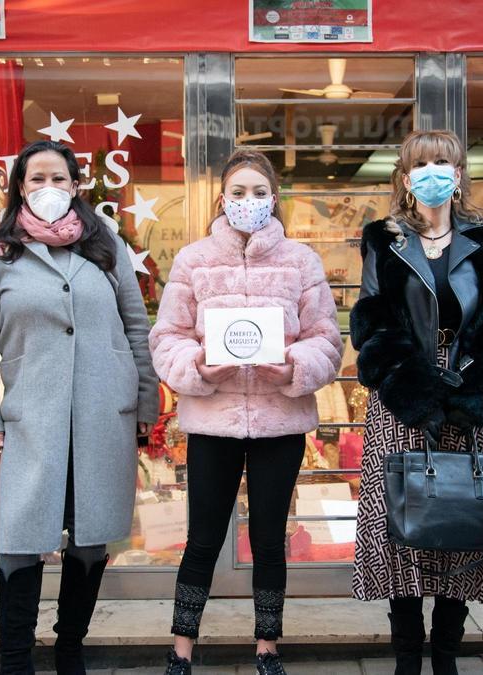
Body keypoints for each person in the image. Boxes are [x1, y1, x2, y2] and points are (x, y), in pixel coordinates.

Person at [0, 140, 160, 675]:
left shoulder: (106, 243)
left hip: (103, 413)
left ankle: (70, 647)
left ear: (76, 186)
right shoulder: (1, 251)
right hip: (34, 419)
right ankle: (15, 660)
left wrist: (147, 398)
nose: (48, 189)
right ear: (20, 188)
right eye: (36, 180)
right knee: (22, 543)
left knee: (92, 540)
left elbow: (135, 324)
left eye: (59, 179)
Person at [150, 149, 343, 675]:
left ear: (274, 199)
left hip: (280, 421)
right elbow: (166, 337)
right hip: (213, 421)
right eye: (238, 192)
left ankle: (267, 648)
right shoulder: (193, 260)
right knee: (204, 536)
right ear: (222, 198)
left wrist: (295, 367)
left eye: (259, 192)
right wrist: (196, 366)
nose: (248, 202)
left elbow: (327, 338)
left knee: (268, 538)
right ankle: (182, 648)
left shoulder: (301, 261)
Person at [350, 129, 483, 675]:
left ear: (458, 173)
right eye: (421, 163)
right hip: (404, 395)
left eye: (442, 162)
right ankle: (406, 657)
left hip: (469, 394)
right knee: (404, 523)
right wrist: (415, 390)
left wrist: (480, 387)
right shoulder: (383, 238)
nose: (432, 171)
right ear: (405, 176)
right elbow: (372, 320)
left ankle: (446, 654)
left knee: (463, 516)